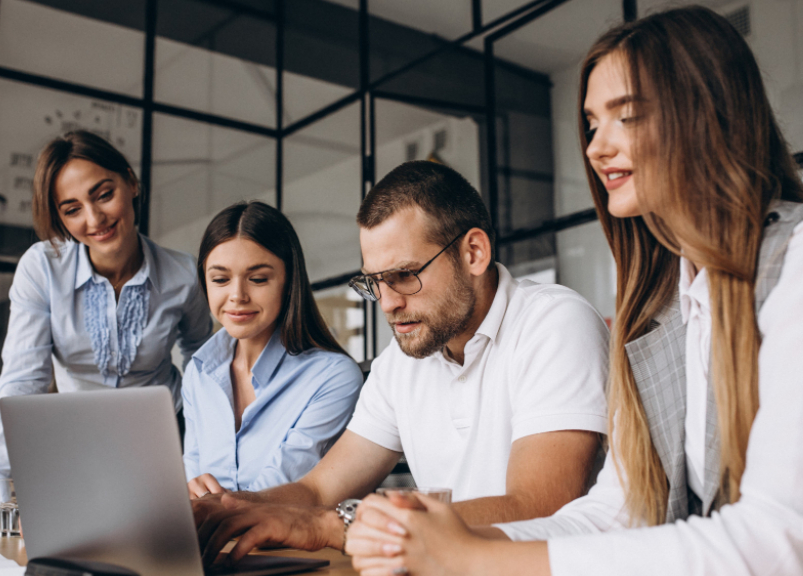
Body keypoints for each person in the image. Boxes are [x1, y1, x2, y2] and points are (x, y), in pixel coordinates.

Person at [345, 6, 803, 576]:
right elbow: (616, 513)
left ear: (705, 115)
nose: (597, 148)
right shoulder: (661, 306)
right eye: (592, 124)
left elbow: (792, 537)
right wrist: (449, 535)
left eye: (624, 117)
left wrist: (476, 556)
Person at [191, 160, 611, 567]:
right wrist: (228, 507)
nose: (388, 303)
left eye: (405, 275)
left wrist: (343, 525)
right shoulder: (401, 363)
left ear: (474, 253)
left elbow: (537, 505)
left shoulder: (554, 323)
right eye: (374, 282)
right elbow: (319, 490)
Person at [0, 130, 213, 535]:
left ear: (131, 182)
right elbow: (23, 386)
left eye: (104, 194)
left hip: (164, 437)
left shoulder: (184, 275)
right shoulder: (41, 268)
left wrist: (199, 467)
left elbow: (206, 372)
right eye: (72, 209)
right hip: (76, 442)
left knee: (167, 549)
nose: (94, 220)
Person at [182, 201, 363, 497]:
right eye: (220, 279)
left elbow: (283, 490)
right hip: (208, 539)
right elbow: (192, 477)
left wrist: (208, 506)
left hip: (287, 542)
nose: (237, 296)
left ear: (288, 282)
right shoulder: (197, 373)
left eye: (258, 279)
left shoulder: (333, 376)